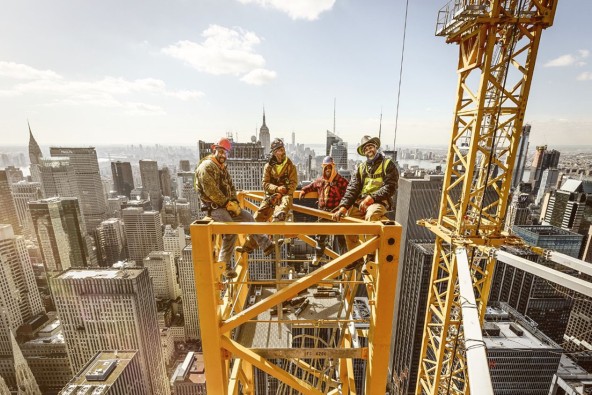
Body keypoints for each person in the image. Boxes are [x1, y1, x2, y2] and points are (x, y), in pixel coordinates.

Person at [195, 137, 276, 276]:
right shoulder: (206, 167)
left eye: (225, 153)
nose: (223, 155)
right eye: (221, 151)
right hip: (214, 208)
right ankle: (224, 265)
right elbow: (211, 191)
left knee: (248, 217)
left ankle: (266, 244)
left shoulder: (222, 168)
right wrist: (227, 204)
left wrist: (235, 204)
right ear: (215, 150)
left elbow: (231, 188)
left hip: (227, 205)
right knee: (230, 230)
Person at [331, 135, 399, 269]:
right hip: (362, 202)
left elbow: (390, 186)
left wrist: (372, 198)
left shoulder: (387, 164)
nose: (369, 149)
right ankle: (356, 256)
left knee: (372, 216)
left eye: (371, 146)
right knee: (348, 221)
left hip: (379, 202)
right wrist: (344, 207)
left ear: (376, 147)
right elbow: (352, 189)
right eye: (366, 147)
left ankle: (370, 254)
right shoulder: (361, 168)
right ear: (364, 151)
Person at [299, 156, 349, 266]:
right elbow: (311, 186)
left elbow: (349, 193)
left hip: (336, 213)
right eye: (326, 168)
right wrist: (303, 191)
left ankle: (345, 259)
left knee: (341, 237)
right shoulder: (321, 181)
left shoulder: (341, 181)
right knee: (320, 236)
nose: (328, 170)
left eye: (329, 168)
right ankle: (318, 255)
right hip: (323, 212)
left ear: (333, 167)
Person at [255, 137, 298, 223]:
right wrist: (276, 189)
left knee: (280, 212)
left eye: (282, 149)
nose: (282, 152)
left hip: (285, 195)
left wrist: (282, 192)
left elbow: (293, 184)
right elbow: (265, 183)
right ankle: (255, 234)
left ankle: (278, 220)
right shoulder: (268, 166)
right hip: (271, 195)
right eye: (279, 150)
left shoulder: (290, 166)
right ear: (274, 153)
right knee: (258, 218)